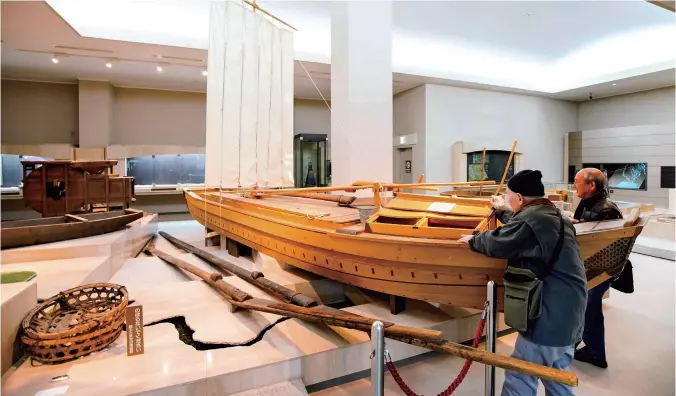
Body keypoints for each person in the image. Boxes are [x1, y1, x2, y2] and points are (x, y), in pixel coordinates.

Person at [458, 169, 587, 396]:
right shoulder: (552, 215)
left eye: (509, 196)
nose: (508, 199)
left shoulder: (532, 220)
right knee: (556, 374)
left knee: (520, 374)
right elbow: (521, 224)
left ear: (519, 197)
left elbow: (501, 242)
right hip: (570, 312)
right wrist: (501, 211)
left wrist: (474, 240)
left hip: (548, 314)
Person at [568, 168, 624, 369]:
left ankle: (596, 354)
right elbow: (582, 226)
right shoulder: (586, 203)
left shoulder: (608, 209)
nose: (574, 184)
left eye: (577, 181)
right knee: (584, 305)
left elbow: (606, 244)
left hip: (600, 269)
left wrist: (579, 224)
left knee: (589, 305)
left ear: (591, 185)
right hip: (586, 265)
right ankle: (580, 345)